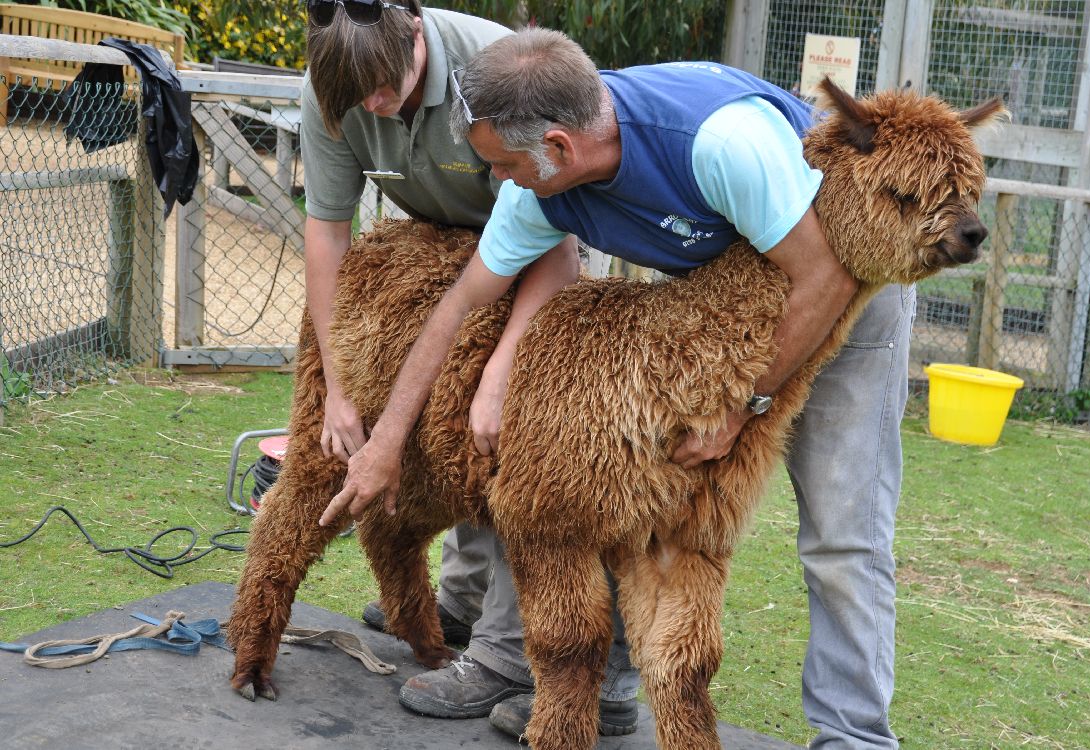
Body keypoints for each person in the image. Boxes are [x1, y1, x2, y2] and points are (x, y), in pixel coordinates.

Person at [318, 26, 912, 748]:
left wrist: (744, 404)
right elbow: (460, 306)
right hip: (724, 307)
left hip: (844, 289)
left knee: (840, 535)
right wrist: (385, 442)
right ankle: (607, 694)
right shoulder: (538, 187)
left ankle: (852, 737)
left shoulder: (718, 142)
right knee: (635, 499)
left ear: (559, 149)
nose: (497, 182)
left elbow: (820, 276)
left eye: (503, 166)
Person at [299, 1, 639, 736]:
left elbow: (554, 246)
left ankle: (504, 652)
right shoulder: (342, 80)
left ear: (415, 34)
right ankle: (462, 597)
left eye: (387, 88)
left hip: (540, 251)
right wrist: (336, 383)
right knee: (445, 434)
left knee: (515, 449)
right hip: (447, 267)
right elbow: (327, 232)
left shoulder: (493, 78)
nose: (373, 107)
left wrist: (499, 377)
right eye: (358, 99)